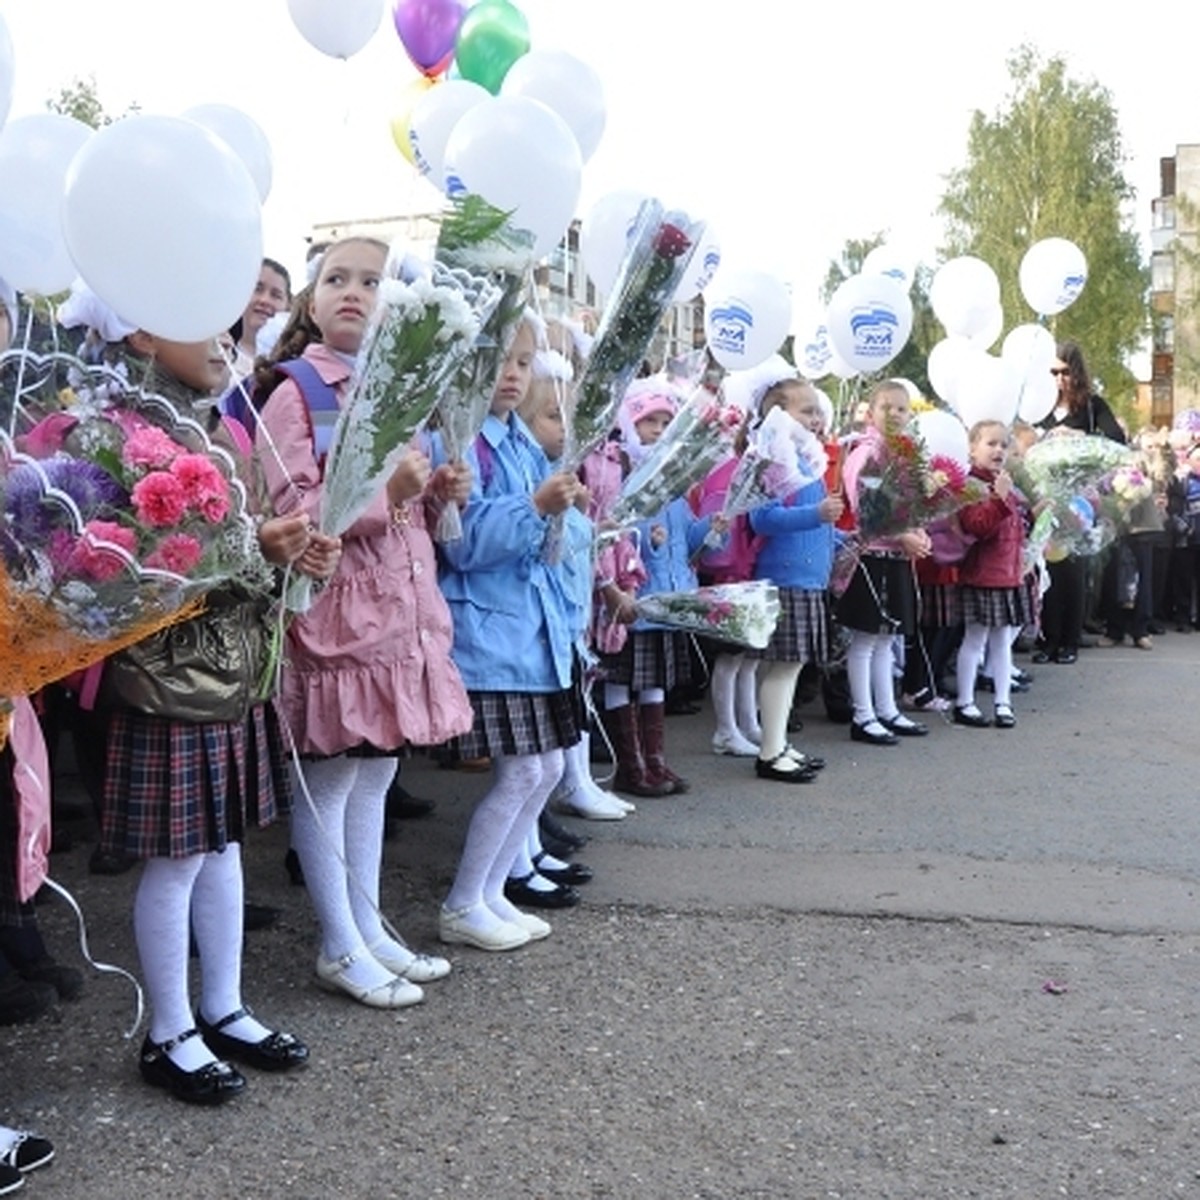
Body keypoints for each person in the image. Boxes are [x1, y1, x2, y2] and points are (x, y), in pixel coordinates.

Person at [65, 312, 331, 1103]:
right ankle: (169, 1030)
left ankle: (223, 1004)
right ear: (142, 333)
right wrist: (258, 548)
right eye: (204, 321)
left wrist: (293, 555)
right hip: (166, 680)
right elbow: (124, 572)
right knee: (177, 858)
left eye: (233, 325)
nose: (225, 340)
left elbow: (241, 544)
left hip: (231, 670)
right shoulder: (110, 434)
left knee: (221, 847)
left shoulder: (224, 430)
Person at [256, 237, 473, 1003]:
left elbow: (407, 506)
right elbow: (295, 511)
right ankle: (339, 944)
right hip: (339, 622)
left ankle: (370, 924)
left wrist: (436, 488)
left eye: (372, 281)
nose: (354, 291)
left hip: (395, 619)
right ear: (310, 303)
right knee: (333, 779)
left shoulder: (393, 393)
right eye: (336, 279)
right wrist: (391, 491)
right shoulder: (299, 394)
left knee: (376, 774)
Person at [436, 314, 586, 951]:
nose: (513, 372)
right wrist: (537, 509)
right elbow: (462, 544)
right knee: (524, 772)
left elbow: (561, 539)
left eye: (524, 361)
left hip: (536, 629)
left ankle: (492, 890)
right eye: (501, 359)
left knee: (547, 767)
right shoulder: (459, 438)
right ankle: (464, 900)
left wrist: (564, 517)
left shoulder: (519, 438)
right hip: (495, 634)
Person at [596, 378, 719, 797]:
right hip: (635, 603)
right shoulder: (626, 483)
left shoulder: (675, 490)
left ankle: (655, 761)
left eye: (667, 421)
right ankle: (629, 766)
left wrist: (715, 527)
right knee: (621, 680)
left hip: (666, 603)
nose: (659, 429)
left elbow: (690, 539)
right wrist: (646, 543)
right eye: (651, 421)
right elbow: (615, 538)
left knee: (654, 683)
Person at [747, 372, 843, 782]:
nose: (817, 418)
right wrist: (817, 515)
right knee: (785, 666)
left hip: (806, 577)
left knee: (785, 667)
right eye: (807, 411)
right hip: (786, 577)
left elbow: (816, 520)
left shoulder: (806, 458)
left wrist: (843, 537)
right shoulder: (773, 458)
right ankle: (770, 752)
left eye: (818, 410)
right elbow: (761, 519)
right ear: (779, 414)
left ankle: (777, 742)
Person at [836, 380, 932, 746]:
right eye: (886, 407)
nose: (894, 414)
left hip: (895, 556)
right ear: (870, 412)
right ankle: (863, 715)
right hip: (872, 555)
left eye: (901, 408)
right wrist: (900, 534)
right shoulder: (867, 453)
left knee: (885, 637)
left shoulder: (906, 455)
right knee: (865, 640)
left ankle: (887, 708)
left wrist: (919, 531)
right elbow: (865, 509)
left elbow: (912, 504)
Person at [1034, 341, 1126, 664]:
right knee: (1047, 571)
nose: (1059, 379)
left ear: (1077, 372)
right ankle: (1047, 640)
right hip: (1045, 495)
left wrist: (1079, 438)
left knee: (1074, 572)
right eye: (1053, 372)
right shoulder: (1039, 406)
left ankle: (1069, 641)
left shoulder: (1091, 405)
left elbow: (1117, 440)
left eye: (1065, 372)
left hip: (1077, 499)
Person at [951, 421, 1033, 729]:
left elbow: (1015, 527)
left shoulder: (1004, 483)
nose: (999, 450)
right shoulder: (971, 485)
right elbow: (979, 526)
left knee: (1002, 643)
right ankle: (965, 702)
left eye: (1003, 444)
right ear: (972, 449)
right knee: (975, 639)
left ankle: (1003, 701)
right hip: (983, 574)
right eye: (991, 444)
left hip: (1008, 574)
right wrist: (998, 498)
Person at [227, 258, 291, 377]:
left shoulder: (292, 363)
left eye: (276, 295)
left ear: (288, 306)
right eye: (257, 289)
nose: (264, 300)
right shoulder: (222, 352)